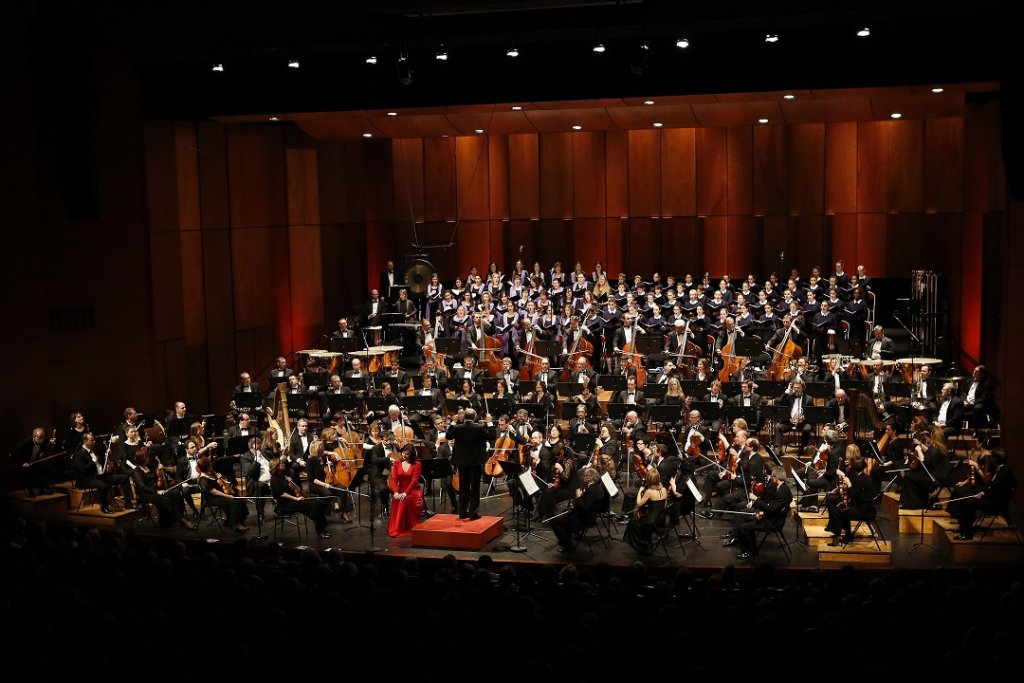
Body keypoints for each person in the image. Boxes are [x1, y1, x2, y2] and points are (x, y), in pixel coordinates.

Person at [946, 448, 1015, 540]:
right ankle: (963, 528)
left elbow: (997, 490)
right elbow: (993, 486)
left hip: (996, 503)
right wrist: (984, 492)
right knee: (966, 500)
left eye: (992, 458)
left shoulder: (1003, 473)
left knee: (968, 502)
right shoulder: (1003, 469)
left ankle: (967, 533)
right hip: (993, 499)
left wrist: (985, 494)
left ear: (995, 459)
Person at [730, 466, 793, 560]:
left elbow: (770, 508)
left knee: (743, 527)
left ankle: (750, 551)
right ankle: (749, 547)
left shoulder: (782, 492)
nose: (771, 478)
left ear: (776, 477)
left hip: (773, 523)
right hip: (772, 517)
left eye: (772, 477)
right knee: (744, 520)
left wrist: (756, 499)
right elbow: (774, 507)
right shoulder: (783, 488)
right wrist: (762, 513)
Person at [446, 408, 495, 520]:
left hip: (461, 462)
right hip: (475, 462)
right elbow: (492, 436)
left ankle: (462, 512)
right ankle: (473, 513)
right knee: (475, 487)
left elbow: (448, 436)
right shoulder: (480, 427)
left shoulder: (457, 427)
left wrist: (453, 422)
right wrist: (490, 422)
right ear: (474, 417)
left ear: (464, 417)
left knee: (463, 487)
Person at [549, 467, 609, 553]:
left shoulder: (591, 490)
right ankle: (567, 537)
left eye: (583, 475)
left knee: (554, 522)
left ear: (589, 478)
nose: (582, 477)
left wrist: (578, 497)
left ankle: (567, 544)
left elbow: (585, 509)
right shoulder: (597, 487)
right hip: (587, 515)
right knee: (563, 513)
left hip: (584, 519)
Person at [131, 446, 193, 529]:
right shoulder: (136, 471)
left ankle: (173, 519)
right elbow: (143, 487)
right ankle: (183, 521)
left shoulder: (148, 467)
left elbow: (157, 476)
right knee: (165, 500)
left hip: (157, 490)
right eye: (147, 457)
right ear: (143, 458)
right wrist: (156, 492)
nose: (149, 458)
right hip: (147, 494)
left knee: (176, 493)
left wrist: (159, 469)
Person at [270, 457, 332, 538]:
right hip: (285, 504)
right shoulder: (274, 479)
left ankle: (321, 527)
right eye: (281, 463)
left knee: (318, 502)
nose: (283, 464)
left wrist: (288, 480)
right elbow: (281, 494)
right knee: (314, 505)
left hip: (293, 501)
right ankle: (320, 529)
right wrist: (296, 499)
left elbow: (289, 473)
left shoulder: (283, 476)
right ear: (277, 466)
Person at [70, 432, 130, 514]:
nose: (94, 442)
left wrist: (107, 463)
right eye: (92, 440)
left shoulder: (93, 451)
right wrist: (93, 461)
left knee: (124, 478)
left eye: (94, 440)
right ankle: (104, 507)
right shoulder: (79, 454)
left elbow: (100, 464)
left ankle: (128, 503)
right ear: (85, 441)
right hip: (89, 478)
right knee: (103, 486)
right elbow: (83, 470)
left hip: (101, 475)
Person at [825, 458, 879, 546]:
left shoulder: (861, 479)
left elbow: (854, 496)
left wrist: (849, 484)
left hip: (865, 512)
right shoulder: (864, 477)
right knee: (842, 509)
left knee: (840, 511)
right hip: (868, 509)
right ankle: (847, 535)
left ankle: (839, 536)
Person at [196, 455, 249, 533]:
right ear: (206, 467)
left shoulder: (211, 473)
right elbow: (214, 491)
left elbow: (219, 483)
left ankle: (237, 520)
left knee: (239, 499)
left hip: (219, 494)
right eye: (210, 464)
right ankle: (235, 524)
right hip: (211, 498)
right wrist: (228, 496)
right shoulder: (202, 479)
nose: (211, 465)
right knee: (233, 502)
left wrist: (220, 478)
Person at [623, 469, 669, 555]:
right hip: (660, 520)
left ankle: (642, 546)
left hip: (651, 522)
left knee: (632, 523)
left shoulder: (649, 492)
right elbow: (664, 505)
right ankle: (646, 543)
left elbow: (638, 503)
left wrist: (640, 490)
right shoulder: (664, 490)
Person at [387, 443, 423, 537]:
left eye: (407, 454)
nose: (404, 455)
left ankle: (400, 529)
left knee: (403, 501)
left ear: (411, 455)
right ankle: (397, 528)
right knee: (398, 499)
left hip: (413, 490)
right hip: (400, 489)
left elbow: (414, 481)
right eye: (403, 453)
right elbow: (394, 479)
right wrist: (395, 492)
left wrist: (405, 493)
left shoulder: (417, 464)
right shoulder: (397, 463)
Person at [11, 427, 58, 497]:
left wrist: (52, 443)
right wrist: (22, 463)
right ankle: (30, 491)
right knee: (26, 472)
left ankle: (44, 488)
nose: (41, 440)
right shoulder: (26, 442)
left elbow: (49, 448)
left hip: (34, 463)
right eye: (39, 438)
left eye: (42, 438)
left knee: (47, 468)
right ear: (34, 437)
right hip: (23, 464)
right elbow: (14, 454)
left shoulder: (43, 441)